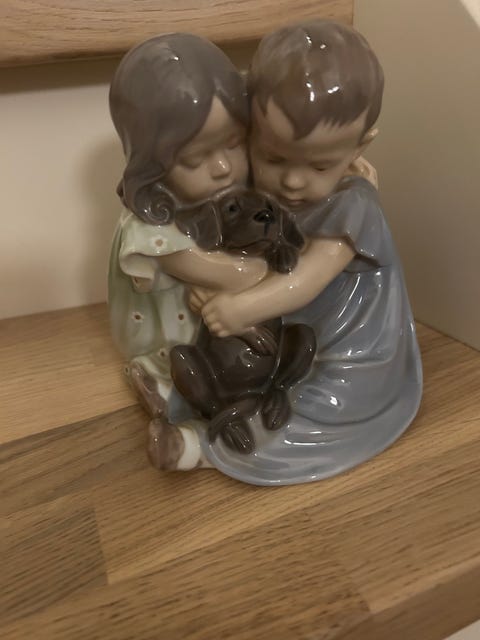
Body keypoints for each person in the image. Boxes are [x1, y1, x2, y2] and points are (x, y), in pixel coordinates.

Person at [194, 20, 423, 485]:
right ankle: (199, 422)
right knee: (233, 386)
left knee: (288, 431)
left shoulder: (355, 205)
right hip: (286, 341)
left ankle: (195, 448)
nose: (294, 181)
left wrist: (241, 308)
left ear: (360, 147)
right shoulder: (263, 195)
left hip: (352, 355)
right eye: (274, 157)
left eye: (321, 165)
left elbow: (308, 278)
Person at [108, 33, 267, 467]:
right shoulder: (150, 223)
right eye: (195, 160)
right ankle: (171, 399)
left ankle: (184, 409)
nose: (223, 167)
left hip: (220, 328)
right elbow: (200, 265)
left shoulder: (231, 194)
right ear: (152, 163)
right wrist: (249, 274)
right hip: (174, 336)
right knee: (213, 372)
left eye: (234, 143)